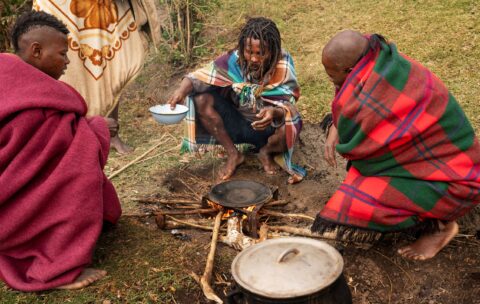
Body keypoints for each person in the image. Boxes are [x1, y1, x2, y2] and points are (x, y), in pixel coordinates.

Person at [313, 30, 480, 260]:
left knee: (359, 201)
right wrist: (335, 126)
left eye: (332, 76)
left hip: (458, 179)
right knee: (359, 179)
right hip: (431, 160)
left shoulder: (380, 87)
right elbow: (349, 112)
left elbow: (368, 146)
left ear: (351, 70)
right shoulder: (375, 60)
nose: (331, 81)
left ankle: (442, 228)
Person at [0, 11, 122, 291]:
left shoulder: (20, 85)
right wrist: (98, 129)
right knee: (78, 158)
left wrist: (89, 127)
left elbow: (47, 141)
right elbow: (63, 146)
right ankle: (55, 267)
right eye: (62, 54)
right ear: (36, 50)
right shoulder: (27, 101)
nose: (67, 62)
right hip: (8, 216)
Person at [168, 17, 305, 184]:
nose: (254, 58)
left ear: (273, 51)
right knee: (201, 100)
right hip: (236, 125)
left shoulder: (282, 64)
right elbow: (199, 76)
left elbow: (288, 104)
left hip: (269, 129)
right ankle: (234, 154)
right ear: (242, 48)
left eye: (260, 53)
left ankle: (266, 151)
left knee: (290, 124)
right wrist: (180, 91)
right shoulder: (233, 60)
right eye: (249, 52)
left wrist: (273, 112)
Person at [33, 0, 161, 154]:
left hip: (104, 5)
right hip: (63, 6)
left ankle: (110, 134)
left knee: (113, 63)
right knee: (68, 67)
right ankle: (71, 134)